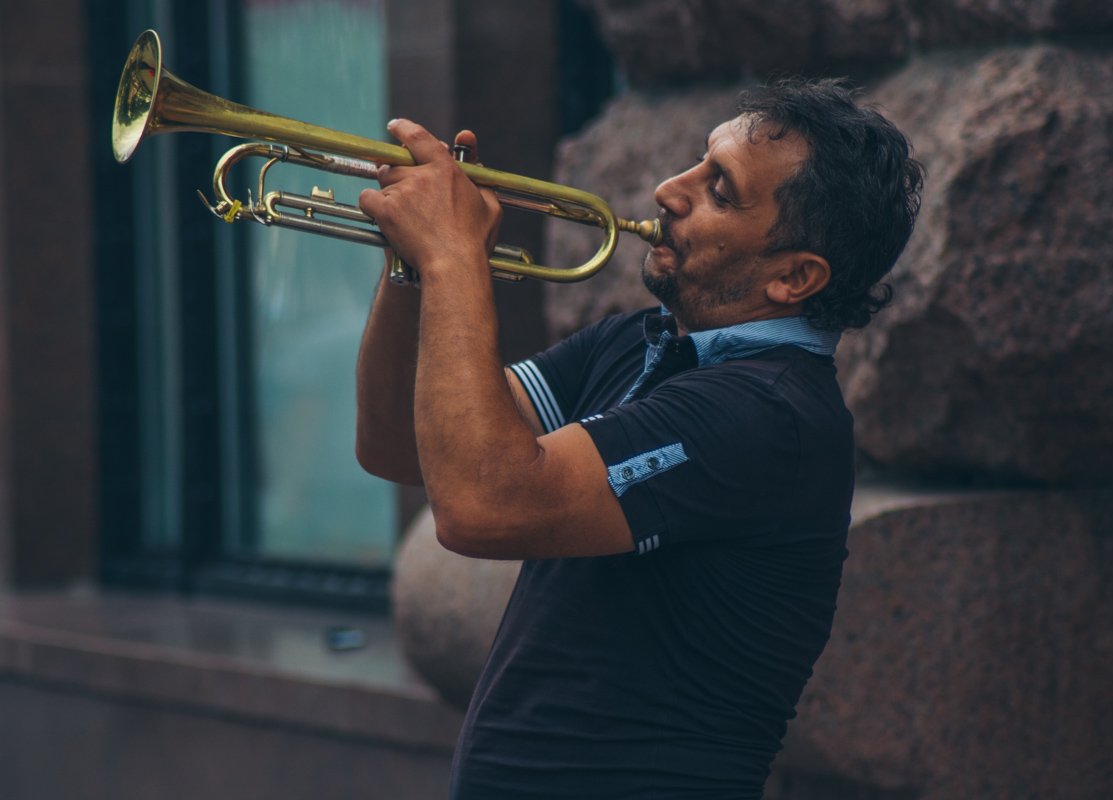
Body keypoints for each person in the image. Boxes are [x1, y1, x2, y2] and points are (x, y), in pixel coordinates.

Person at [356, 77, 923, 799]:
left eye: (720, 190)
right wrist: (411, 268)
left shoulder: (768, 415)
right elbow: (395, 447)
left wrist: (452, 259)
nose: (668, 190)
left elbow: (480, 508)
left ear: (794, 276)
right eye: (697, 160)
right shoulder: (639, 341)